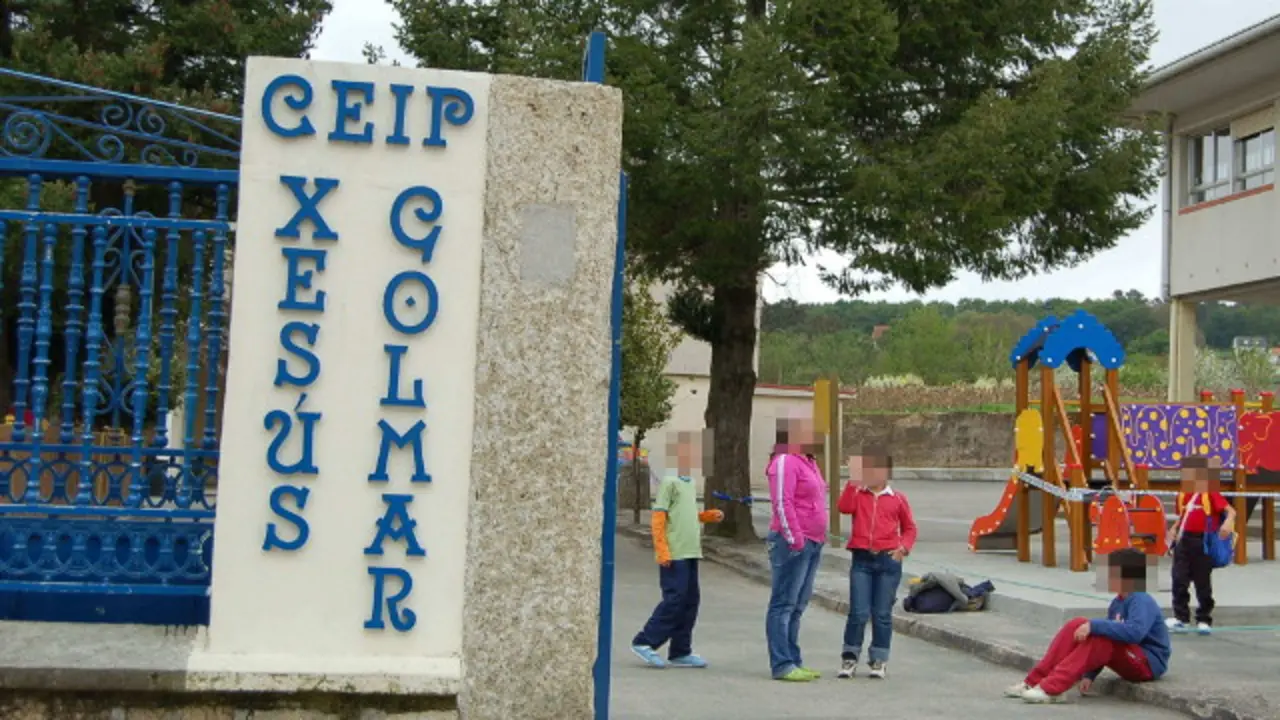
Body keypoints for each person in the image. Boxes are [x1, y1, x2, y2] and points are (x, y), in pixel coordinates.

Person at [1004, 548, 1171, 704]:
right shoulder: (1117, 603)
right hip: (1130, 654)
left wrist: (1094, 625)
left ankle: (1052, 689)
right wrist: (1090, 674)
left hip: (1147, 663)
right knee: (1077, 624)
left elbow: (1135, 633)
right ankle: (1032, 682)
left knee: (1100, 635)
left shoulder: (1141, 599)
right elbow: (1110, 636)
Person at [631, 431, 724, 669]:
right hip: (674, 553)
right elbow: (660, 517)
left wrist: (706, 516)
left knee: (691, 601)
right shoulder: (669, 483)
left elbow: (683, 515)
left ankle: (681, 650)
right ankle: (645, 641)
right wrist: (662, 550)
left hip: (691, 551)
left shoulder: (689, 483)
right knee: (675, 599)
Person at [835, 451, 917, 680]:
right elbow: (844, 507)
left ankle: (879, 658)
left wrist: (903, 548)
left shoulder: (897, 498)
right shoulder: (859, 494)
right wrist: (853, 481)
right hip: (862, 559)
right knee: (858, 612)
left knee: (882, 613)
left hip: (888, 560)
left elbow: (910, 527)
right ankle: (849, 657)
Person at [765, 415, 828, 682]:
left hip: (814, 540)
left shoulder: (809, 462)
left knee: (798, 604)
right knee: (784, 602)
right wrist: (796, 539)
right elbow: (782, 501)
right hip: (792, 542)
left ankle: (794, 658)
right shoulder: (785, 461)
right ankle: (782, 663)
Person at [1166, 455, 1236, 635]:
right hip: (1184, 540)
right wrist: (1174, 529)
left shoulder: (1209, 492)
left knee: (1202, 581)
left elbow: (1230, 511)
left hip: (1202, 541)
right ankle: (1181, 617)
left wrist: (1228, 522)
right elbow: (1183, 516)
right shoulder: (1183, 493)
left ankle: (1204, 618)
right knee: (1179, 579)